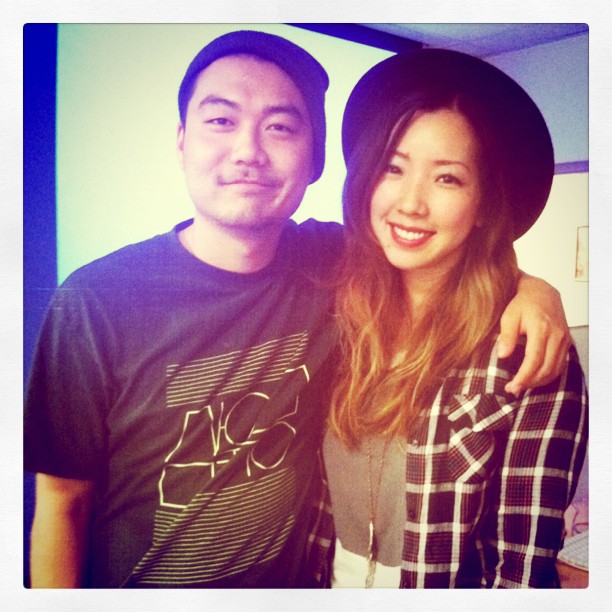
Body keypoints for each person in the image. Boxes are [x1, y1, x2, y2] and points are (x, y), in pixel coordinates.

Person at [25, 30, 570, 589]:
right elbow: (61, 505)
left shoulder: (330, 267)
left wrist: (533, 289)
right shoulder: (95, 301)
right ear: (182, 140)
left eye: (280, 127)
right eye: (221, 120)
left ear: (314, 159)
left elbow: (439, 256)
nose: (248, 151)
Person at [321, 49, 588, 589]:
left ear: (485, 203)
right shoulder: (331, 310)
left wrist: (535, 288)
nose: (411, 203)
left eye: (447, 179)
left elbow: (521, 571)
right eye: (393, 168)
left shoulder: (525, 355)